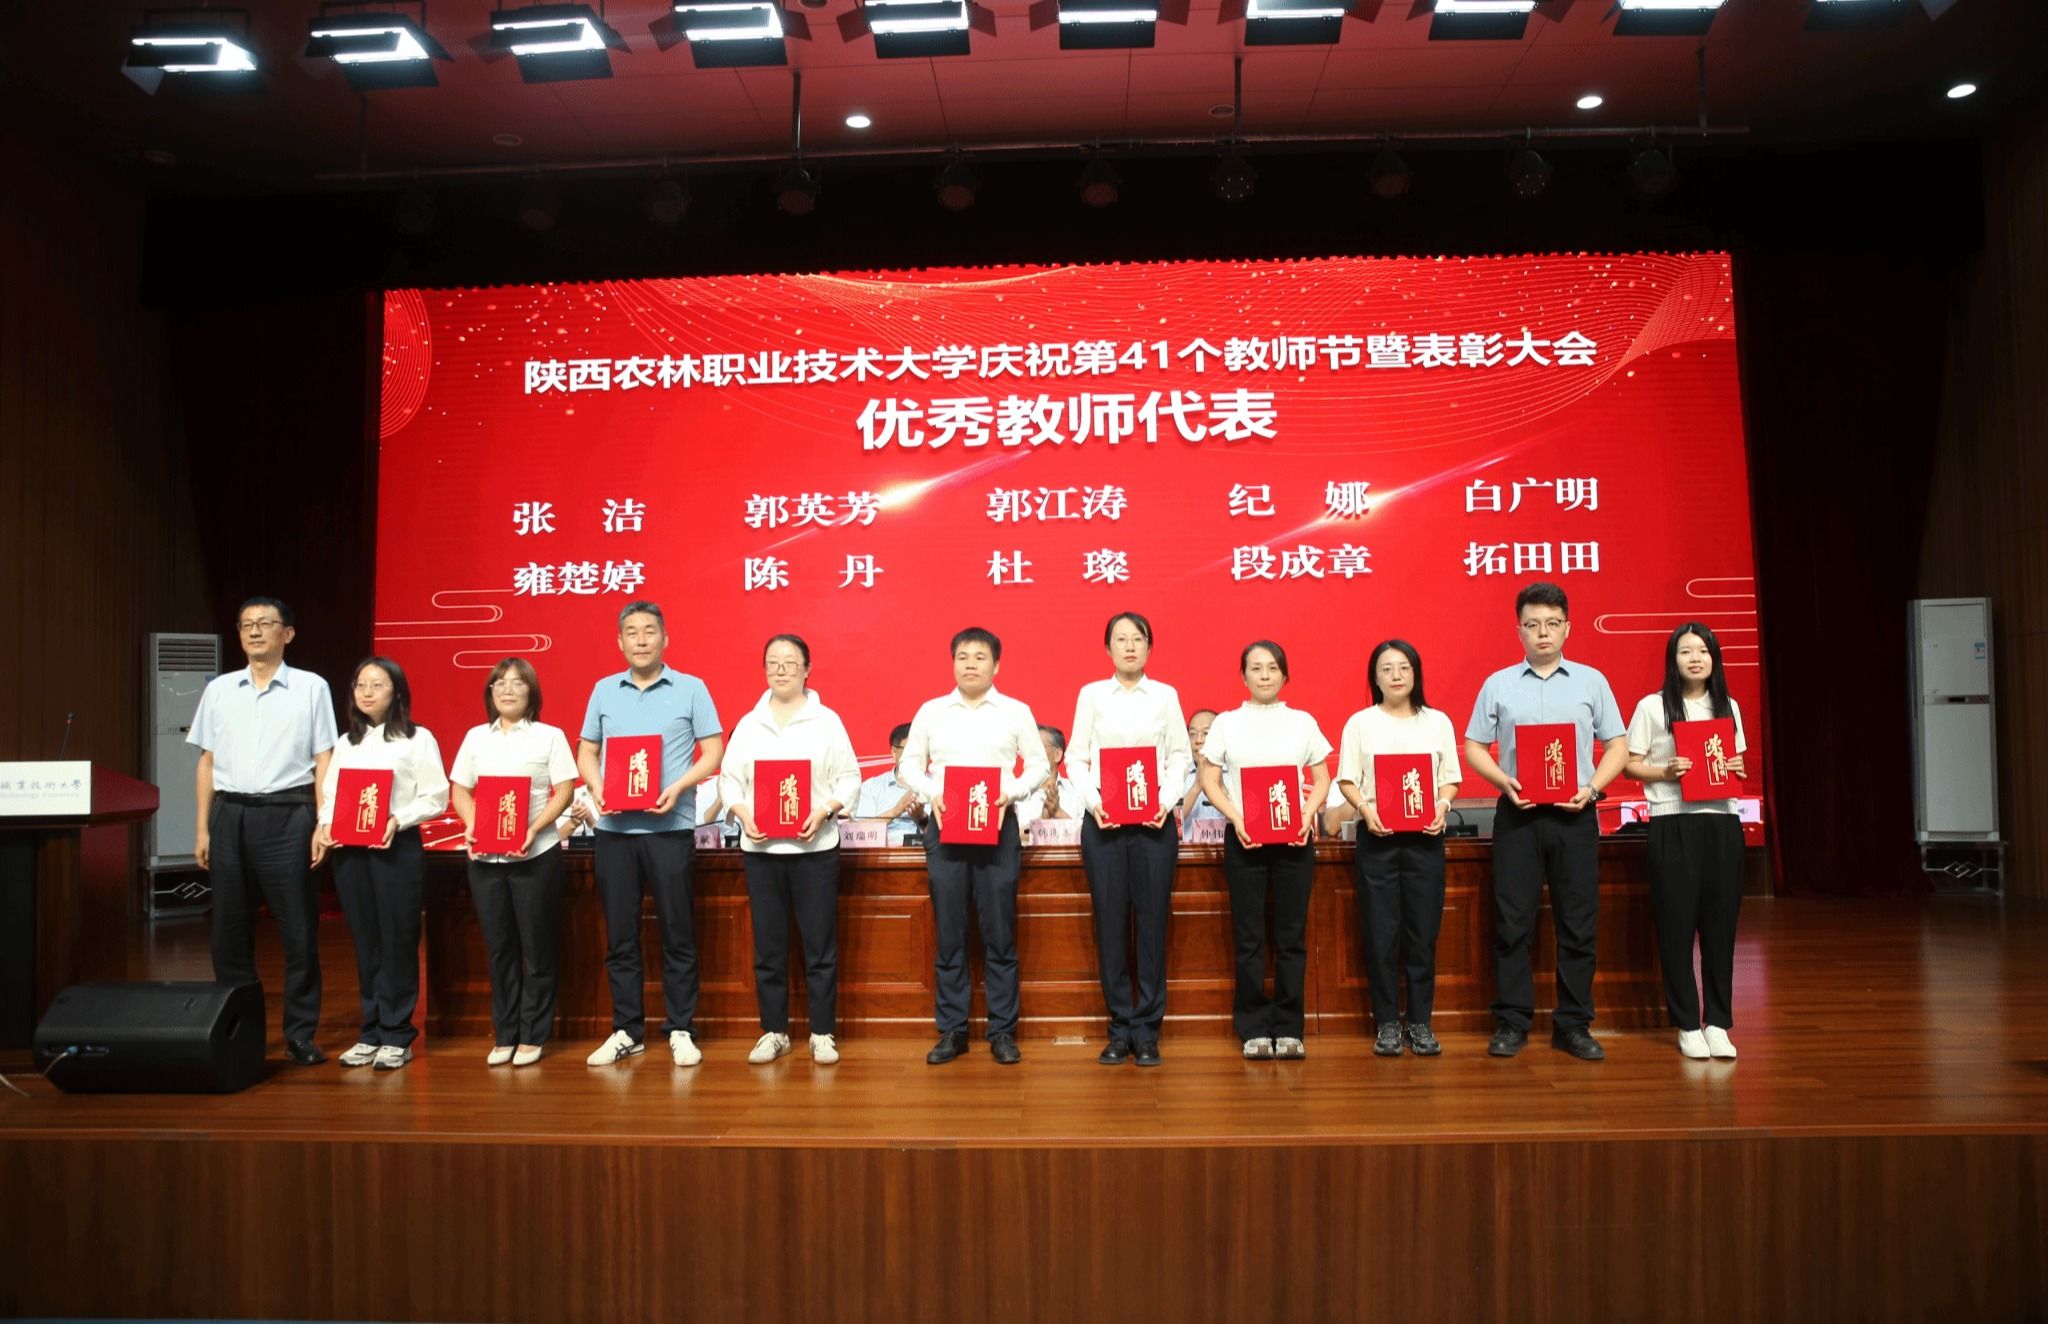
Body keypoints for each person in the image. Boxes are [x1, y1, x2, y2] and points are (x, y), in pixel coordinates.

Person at [1463, 582, 1629, 1062]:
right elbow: (1474, 746)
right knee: (1512, 922)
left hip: (1575, 815)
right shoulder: (1498, 684)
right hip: (1519, 815)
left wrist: (1592, 788)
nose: (1543, 632)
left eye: (1552, 623)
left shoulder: (1591, 682)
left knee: (1578, 923)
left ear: (1567, 628)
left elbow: (1617, 745)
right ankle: (1512, 1022)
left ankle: (1573, 1025)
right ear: (1518, 630)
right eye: (1532, 624)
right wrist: (1504, 780)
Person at [188, 597, 337, 1066]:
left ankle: (300, 1035)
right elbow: (207, 761)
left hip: (289, 815)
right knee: (229, 934)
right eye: (246, 625)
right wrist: (202, 828)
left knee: (298, 931)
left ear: (287, 633)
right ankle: (240, 1033)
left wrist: (323, 822)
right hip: (229, 815)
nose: (254, 632)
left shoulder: (311, 687)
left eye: (265, 623)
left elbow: (324, 759)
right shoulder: (219, 690)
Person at [577, 601, 725, 1068]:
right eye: (632, 632)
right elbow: (586, 751)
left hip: (669, 830)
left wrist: (679, 786)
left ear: (665, 639)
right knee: (620, 935)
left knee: (677, 932)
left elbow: (713, 750)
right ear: (619, 641)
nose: (640, 640)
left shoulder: (691, 688)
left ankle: (680, 1028)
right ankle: (627, 1030)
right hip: (614, 832)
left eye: (649, 631)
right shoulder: (604, 690)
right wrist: (598, 788)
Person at [897, 626, 1050, 1066]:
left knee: (1000, 933)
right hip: (946, 826)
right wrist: (933, 792)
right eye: (963, 656)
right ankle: (952, 1030)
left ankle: (1002, 1031)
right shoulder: (932, 711)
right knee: (950, 933)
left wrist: (1011, 793)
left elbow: (1038, 765)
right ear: (953, 663)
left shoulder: (1016, 711)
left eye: (980, 657)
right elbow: (909, 766)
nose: (970, 664)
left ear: (996, 665)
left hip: (997, 825)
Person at [716, 634, 862, 1066]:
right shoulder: (749, 724)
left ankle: (822, 1032)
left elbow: (850, 778)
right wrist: (742, 812)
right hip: (762, 851)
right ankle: (774, 1031)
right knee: (768, 947)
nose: (781, 670)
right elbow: (729, 780)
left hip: (815, 850)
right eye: (773, 662)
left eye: (790, 662)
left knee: (820, 947)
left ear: (807, 670)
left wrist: (826, 810)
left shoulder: (827, 722)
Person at [1065, 611, 1192, 1067]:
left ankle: (1148, 1031)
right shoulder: (1092, 695)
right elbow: (1076, 759)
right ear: (1108, 649)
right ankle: (1119, 1028)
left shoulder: (1165, 695)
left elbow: (1179, 756)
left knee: (1152, 924)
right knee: (1111, 924)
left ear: (1149, 647)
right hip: (1104, 824)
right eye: (1121, 639)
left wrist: (1166, 799)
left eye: (1138, 639)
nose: (1130, 646)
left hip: (1154, 824)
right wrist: (1094, 800)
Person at [1198, 640, 1333, 1061]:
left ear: (1285, 675)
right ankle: (1253, 1027)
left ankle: (1290, 1028)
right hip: (1245, 840)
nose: (1264, 675)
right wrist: (1236, 818)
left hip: (1294, 840)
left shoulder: (1302, 721)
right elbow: (1209, 779)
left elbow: (1322, 777)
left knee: (1291, 937)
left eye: (1272, 668)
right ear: (1243, 676)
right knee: (1250, 938)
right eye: (1255, 668)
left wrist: (1307, 814)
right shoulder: (1227, 723)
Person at [314, 657, 448, 1071]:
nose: (367, 692)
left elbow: (436, 796)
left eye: (378, 684)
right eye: (360, 685)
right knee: (366, 941)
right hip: (351, 851)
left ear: (397, 692)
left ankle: (397, 1033)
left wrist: (397, 819)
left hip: (396, 847)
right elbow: (331, 795)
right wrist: (326, 824)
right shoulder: (346, 742)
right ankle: (370, 1031)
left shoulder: (417, 739)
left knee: (398, 939)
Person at [1624, 623, 1749, 1061]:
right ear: (1672, 659)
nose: (1695, 658)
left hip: (1722, 824)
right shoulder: (1652, 706)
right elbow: (1630, 764)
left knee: (1721, 928)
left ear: (1714, 658)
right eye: (1686, 651)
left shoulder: (1728, 706)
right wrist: (1664, 772)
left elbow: (1735, 762)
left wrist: (1736, 768)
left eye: (1703, 651)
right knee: (1676, 928)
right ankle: (1687, 1024)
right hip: (1673, 821)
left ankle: (1718, 1022)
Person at [448, 657, 578, 1066]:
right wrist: (472, 824)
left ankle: (533, 1035)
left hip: (535, 856)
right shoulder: (475, 738)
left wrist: (535, 827)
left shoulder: (549, 736)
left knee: (537, 948)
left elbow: (564, 790)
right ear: (490, 692)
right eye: (499, 683)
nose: (507, 689)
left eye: (518, 682)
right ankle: (505, 1034)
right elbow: (460, 790)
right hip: (486, 860)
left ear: (531, 692)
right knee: (499, 949)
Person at [1334, 640, 1461, 1058]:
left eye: (1404, 667)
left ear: (1415, 673)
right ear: (1375, 677)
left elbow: (1450, 778)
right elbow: (1348, 779)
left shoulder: (1437, 722)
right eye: (1386, 668)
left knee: (1422, 934)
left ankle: (1421, 1022)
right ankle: (1387, 1022)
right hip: (1378, 840)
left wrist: (1442, 806)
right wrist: (1365, 810)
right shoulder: (1360, 723)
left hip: (1426, 839)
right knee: (1380, 934)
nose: (1396, 675)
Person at [851, 722, 928, 844]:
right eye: (910, 750)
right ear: (894, 752)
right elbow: (858, 832)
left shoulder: (937, 786)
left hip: (927, 852)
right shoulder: (872, 788)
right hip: (887, 852)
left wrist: (921, 817)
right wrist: (896, 810)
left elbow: (947, 837)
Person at [1013, 725, 1082, 832]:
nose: (1030, 753)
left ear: (1057, 754)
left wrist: (1059, 813)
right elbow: (1012, 837)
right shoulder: (1015, 793)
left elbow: (1087, 836)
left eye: (1038, 747)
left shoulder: (1077, 791)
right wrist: (1042, 819)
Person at [1178, 709, 1225, 837]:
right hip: (1188, 848)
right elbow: (1173, 824)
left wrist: (1220, 786)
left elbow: (1245, 819)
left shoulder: (1234, 773)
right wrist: (1197, 785)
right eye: (1192, 734)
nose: (1198, 740)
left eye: (1206, 733)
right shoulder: (1178, 775)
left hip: (1230, 846)